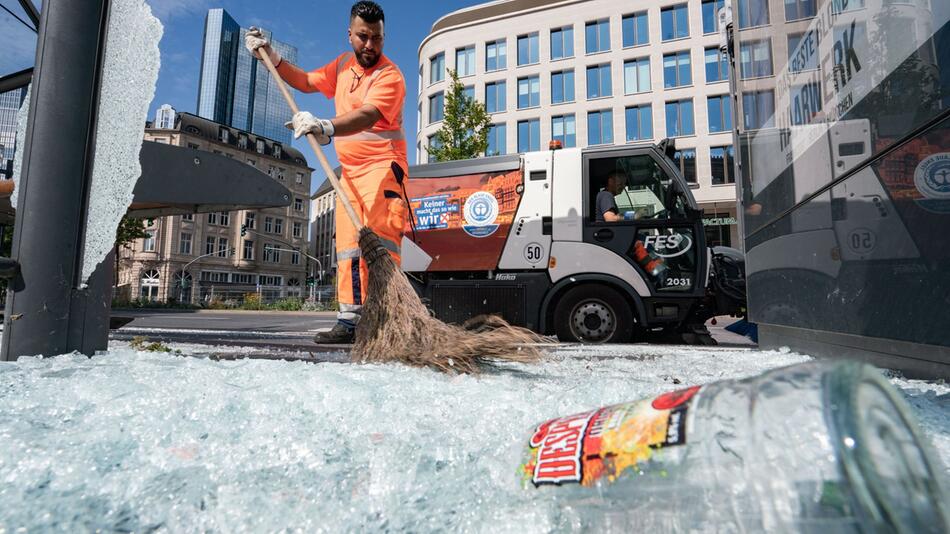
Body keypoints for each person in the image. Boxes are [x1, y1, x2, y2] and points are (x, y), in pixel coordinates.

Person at [246, 1, 408, 344]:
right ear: (350, 34)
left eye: (377, 38)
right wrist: (270, 57)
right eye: (363, 36)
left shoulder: (390, 76)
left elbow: (367, 115)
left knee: (382, 243)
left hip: (383, 168)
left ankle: (388, 315)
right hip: (349, 173)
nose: (370, 45)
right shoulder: (342, 66)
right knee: (348, 247)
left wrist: (325, 126)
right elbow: (305, 81)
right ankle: (350, 321)